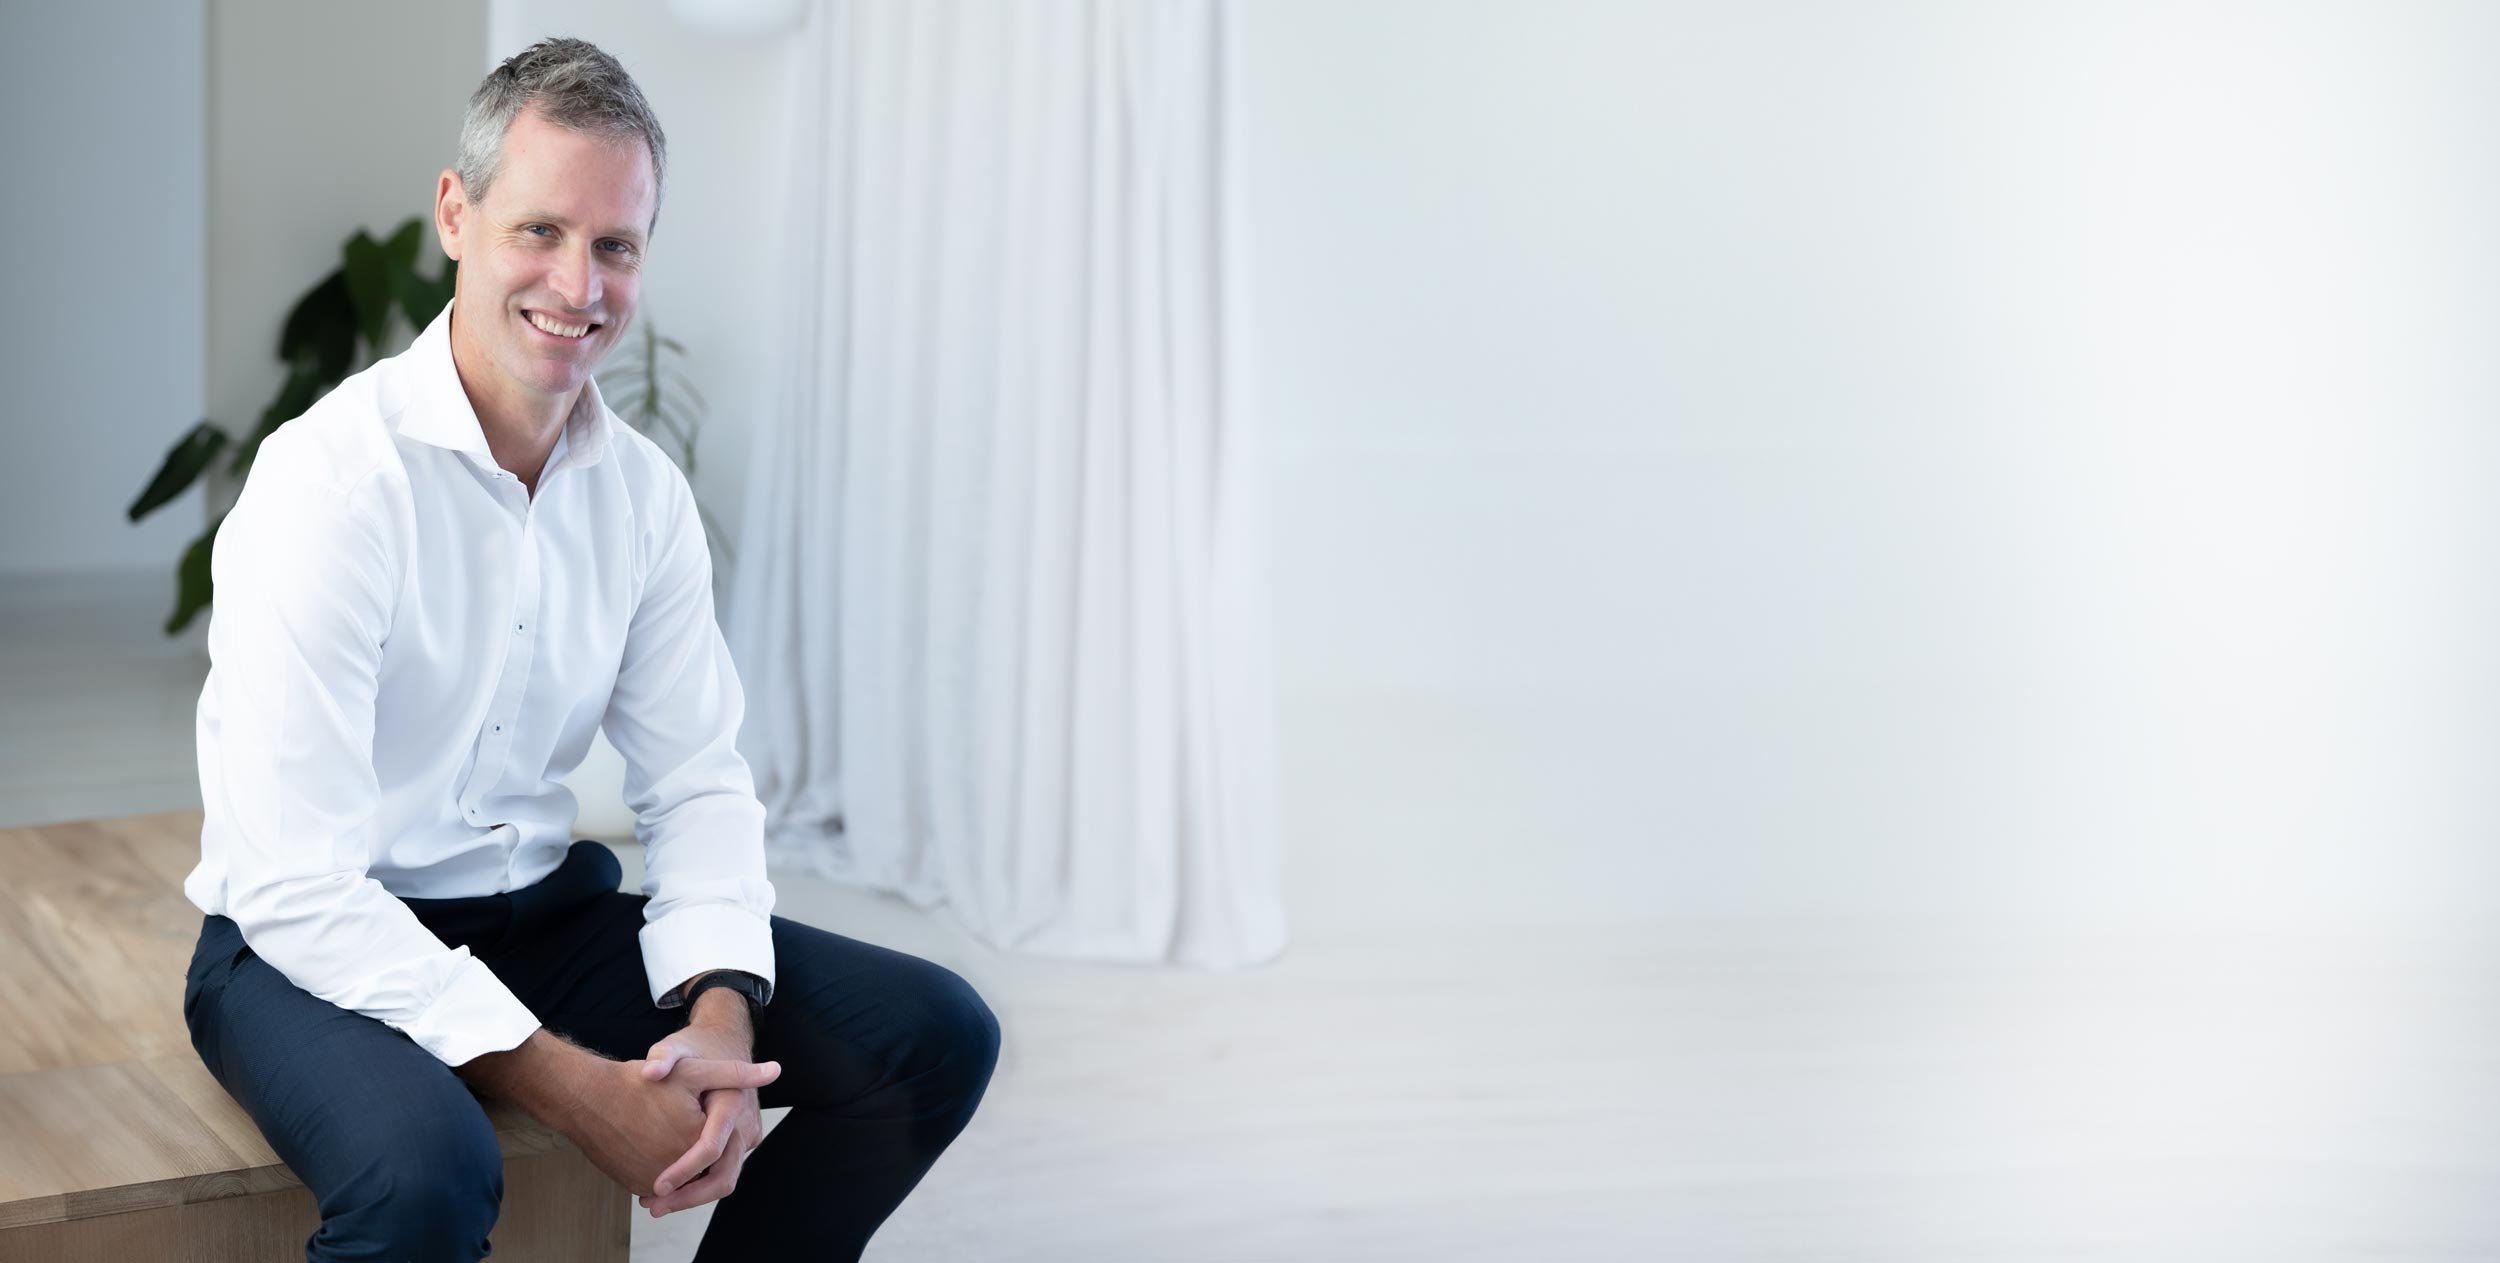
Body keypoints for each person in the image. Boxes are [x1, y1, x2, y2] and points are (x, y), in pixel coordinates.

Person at [178, 37, 999, 1261]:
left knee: (931, 1031)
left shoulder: (645, 500)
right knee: (426, 1176)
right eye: (540, 232)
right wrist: (575, 1088)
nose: (579, 283)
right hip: (303, 947)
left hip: (535, 923)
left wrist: (721, 1013)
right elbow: (297, 884)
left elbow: (697, 783)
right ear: (456, 216)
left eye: (615, 245)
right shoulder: (328, 487)